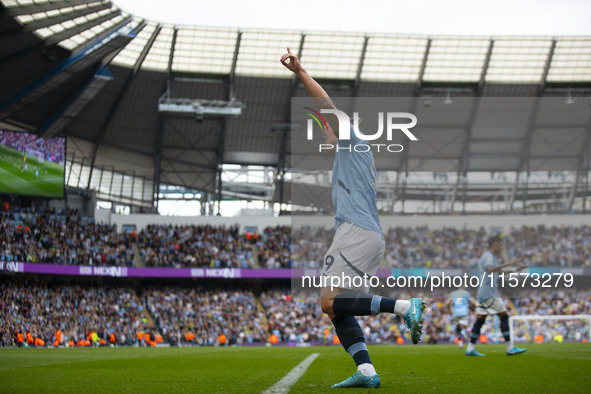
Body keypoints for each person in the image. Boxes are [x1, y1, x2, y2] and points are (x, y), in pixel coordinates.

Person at [280, 47, 425, 389]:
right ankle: (366, 372)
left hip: (356, 233)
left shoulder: (351, 139)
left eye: (326, 130)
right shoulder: (355, 153)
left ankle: (404, 306)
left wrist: (300, 72)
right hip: (365, 234)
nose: (324, 134)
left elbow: (327, 107)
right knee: (336, 309)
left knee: (328, 302)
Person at [466, 235, 528, 356]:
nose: (501, 248)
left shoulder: (491, 257)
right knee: (504, 316)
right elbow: (490, 269)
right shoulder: (488, 256)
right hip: (489, 293)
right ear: (494, 244)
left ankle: (470, 348)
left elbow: (499, 272)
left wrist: (515, 269)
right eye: (500, 245)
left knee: (480, 320)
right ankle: (510, 347)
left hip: (484, 292)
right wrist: (508, 263)